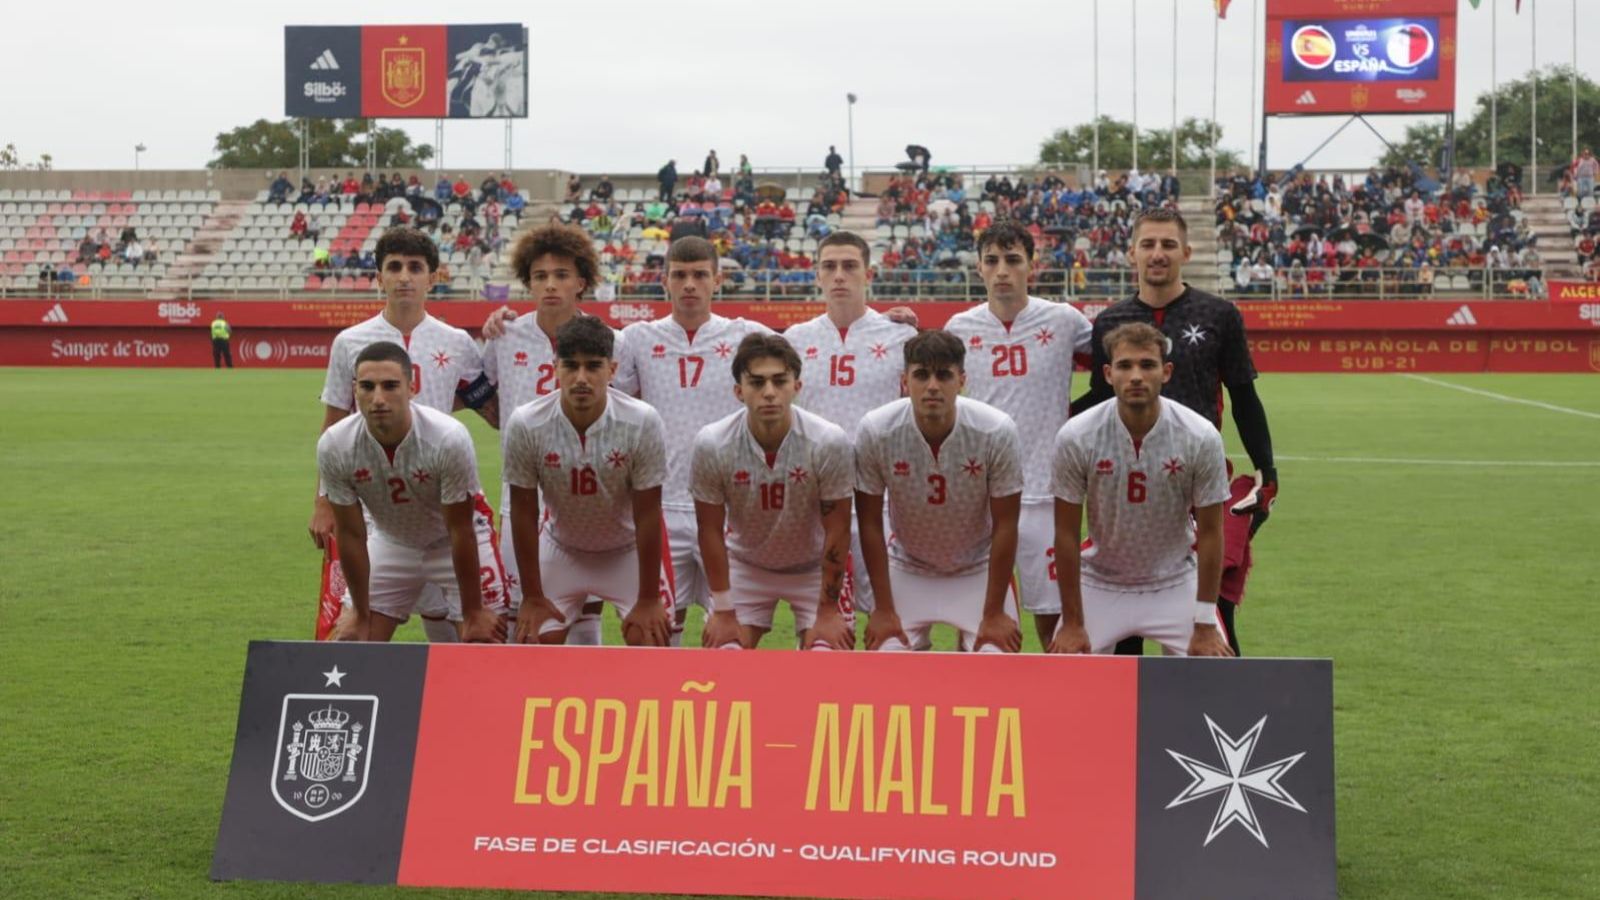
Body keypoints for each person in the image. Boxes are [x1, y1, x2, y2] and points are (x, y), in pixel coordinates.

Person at [1073, 208, 1276, 655]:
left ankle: (1208, 698)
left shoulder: (1219, 314)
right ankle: (1128, 700)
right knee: (1125, 610)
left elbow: (1243, 395)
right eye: (1148, 244)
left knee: (1215, 609)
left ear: (1186, 252)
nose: (1158, 253)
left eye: (1168, 244)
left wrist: (1267, 470)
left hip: (1197, 478)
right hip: (1123, 480)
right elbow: (1098, 399)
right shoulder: (1110, 321)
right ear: (1132, 253)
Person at [308, 227, 501, 644]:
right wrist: (323, 500)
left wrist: (506, 342)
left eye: (415, 268)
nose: (404, 277)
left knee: (467, 632)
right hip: (379, 505)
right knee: (348, 634)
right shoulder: (350, 342)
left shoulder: (456, 342)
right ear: (379, 277)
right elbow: (335, 421)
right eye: (394, 268)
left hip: (442, 493)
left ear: (433, 277)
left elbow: (493, 411)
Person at [611, 236, 774, 642]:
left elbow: (814, 350)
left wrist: (889, 320)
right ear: (664, 280)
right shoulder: (636, 338)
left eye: (700, 275)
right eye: (679, 275)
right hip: (661, 507)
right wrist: (502, 320)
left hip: (731, 509)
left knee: (732, 637)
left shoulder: (747, 335)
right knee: (652, 634)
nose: (689, 284)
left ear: (717, 280)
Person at [944, 220, 1093, 649]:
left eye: (1012, 260)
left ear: (1032, 265)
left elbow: (1119, 352)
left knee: (1054, 625)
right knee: (976, 626)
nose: (1002, 271)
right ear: (979, 268)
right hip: (980, 496)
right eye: (992, 261)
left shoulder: (1064, 320)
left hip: (1047, 493)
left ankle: (1056, 693)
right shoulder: (959, 327)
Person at [1047, 323, 1232, 658]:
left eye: (1147, 365)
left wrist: (1204, 623)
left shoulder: (1200, 435)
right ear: (1108, 374)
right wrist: (1072, 622)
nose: (1135, 376)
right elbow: (1066, 533)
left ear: (1166, 372)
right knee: (1066, 670)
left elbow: (1211, 532)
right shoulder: (1077, 435)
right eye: (1125, 366)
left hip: (1174, 579)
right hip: (1101, 581)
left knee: (1212, 669)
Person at [318, 341, 507, 643]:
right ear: (355, 390)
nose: (378, 398)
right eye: (367, 387)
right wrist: (360, 613)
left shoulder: (447, 438)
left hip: (452, 541)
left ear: (412, 387)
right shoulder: (335, 444)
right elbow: (351, 534)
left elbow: (460, 529)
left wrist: (473, 611)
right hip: (391, 540)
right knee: (353, 641)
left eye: (390, 386)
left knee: (484, 642)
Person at [503, 317, 674, 646]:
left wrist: (649, 598)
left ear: (612, 370)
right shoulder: (526, 423)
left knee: (650, 637)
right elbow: (523, 511)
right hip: (561, 548)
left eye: (593, 366)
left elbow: (649, 513)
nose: (581, 378)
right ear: (555, 367)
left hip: (626, 551)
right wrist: (533, 596)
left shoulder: (642, 421)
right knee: (535, 639)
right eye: (571, 365)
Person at [854, 330, 1024, 653]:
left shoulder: (995, 429)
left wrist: (993, 613)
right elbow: (870, 522)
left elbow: (1006, 524)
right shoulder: (877, 429)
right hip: (908, 564)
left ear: (961, 380)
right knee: (887, 658)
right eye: (921, 375)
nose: (932, 386)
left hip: (977, 567)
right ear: (905, 381)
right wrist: (884, 608)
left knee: (996, 659)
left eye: (944, 375)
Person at [480, 223, 610, 644]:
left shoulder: (608, 340)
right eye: (540, 276)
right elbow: (483, 395)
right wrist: (506, 423)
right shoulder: (505, 335)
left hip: (587, 492)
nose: (550, 284)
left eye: (561, 275)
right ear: (529, 282)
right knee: (522, 607)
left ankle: (585, 681)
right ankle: (522, 685)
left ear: (581, 282)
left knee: (586, 607)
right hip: (522, 492)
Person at [781, 231, 916, 617]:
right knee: (818, 622)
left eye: (850, 266)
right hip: (815, 503)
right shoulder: (795, 339)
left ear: (868, 274)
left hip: (884, 502)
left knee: (887, 620)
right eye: (830, 266)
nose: (839, 275)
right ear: (817, 276)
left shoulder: (901, 337)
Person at [691, 334, 855, 650]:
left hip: (814, 568)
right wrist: (723, 610)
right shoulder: (713, 443)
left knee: (828, 656)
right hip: (747, 565)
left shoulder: (828, 441)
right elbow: (709, 529)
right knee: (725, 654)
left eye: (780, 381)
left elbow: (838, 528)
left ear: (797, 386)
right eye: (757, 383)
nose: (769, 392)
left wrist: (827, 611)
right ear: (739, 391)